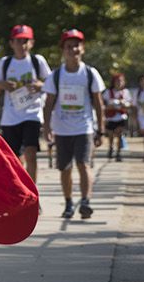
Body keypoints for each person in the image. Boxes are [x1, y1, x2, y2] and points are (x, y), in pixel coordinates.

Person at [42, 29, 104, 220]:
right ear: (63, 50)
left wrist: (100, 129)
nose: (73, 50)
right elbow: (49, 103)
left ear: (82, 49)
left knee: (83, 164)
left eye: (76, 46)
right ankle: (68, 203)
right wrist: (47, 128)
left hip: (84, 127)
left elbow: (98, 102)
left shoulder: (90, 73)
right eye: (69, 46)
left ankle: (85, 201)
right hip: (62, 129)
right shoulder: (56, 75)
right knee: (65, 168)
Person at [0, 24, 50, 185]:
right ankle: (20, 191)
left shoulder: (38, 61)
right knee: (14, 159)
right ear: (11, 43)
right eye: (18, 41)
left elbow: (51, 87)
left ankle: (33, 192)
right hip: (11, 117)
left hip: (32, 114)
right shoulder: (5, 62)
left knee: (31, 153)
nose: (21, 45)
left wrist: (40, 86)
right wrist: (3, 85)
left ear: (31, 43)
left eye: (25, 41)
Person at [101, 72, 133, 162]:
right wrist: (109, 106)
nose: (119, 83)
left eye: (121, 81)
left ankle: (118, 152)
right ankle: (111, 148)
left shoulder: (125, 92)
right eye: (117, 81)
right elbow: (103, 105)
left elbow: (130, 104)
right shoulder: (108, 92)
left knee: (119, 134)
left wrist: (124, 104)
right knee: (111, 135)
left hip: (121, 117)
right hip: (111, 117)